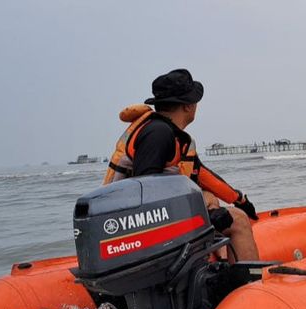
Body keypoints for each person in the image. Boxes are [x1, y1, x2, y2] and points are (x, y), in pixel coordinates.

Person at [105, 69, 260, 260]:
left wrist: (240, 200)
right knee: (239, 221)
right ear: (187, 106)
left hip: (147, 221)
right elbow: (144, 194)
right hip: (134, 228)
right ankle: (248, 286)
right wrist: (207, 217)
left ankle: (215, 268)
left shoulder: (172, 135)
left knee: (209, 198)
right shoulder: (158, 134)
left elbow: (203, 176)